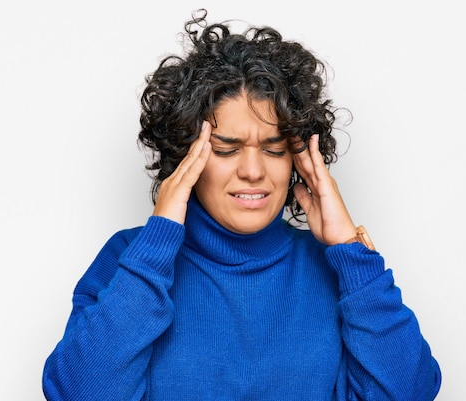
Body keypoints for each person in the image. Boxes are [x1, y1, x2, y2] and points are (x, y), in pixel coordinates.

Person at [42, 9, 441, 401]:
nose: (253, 171)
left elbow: (410, 392)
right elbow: (76, 393)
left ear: (298, 160)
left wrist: (350, 253)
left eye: (274, 149)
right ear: (186, 157)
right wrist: (158, 241)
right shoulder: (130, 260)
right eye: (226, 149)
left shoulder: (338, 270)